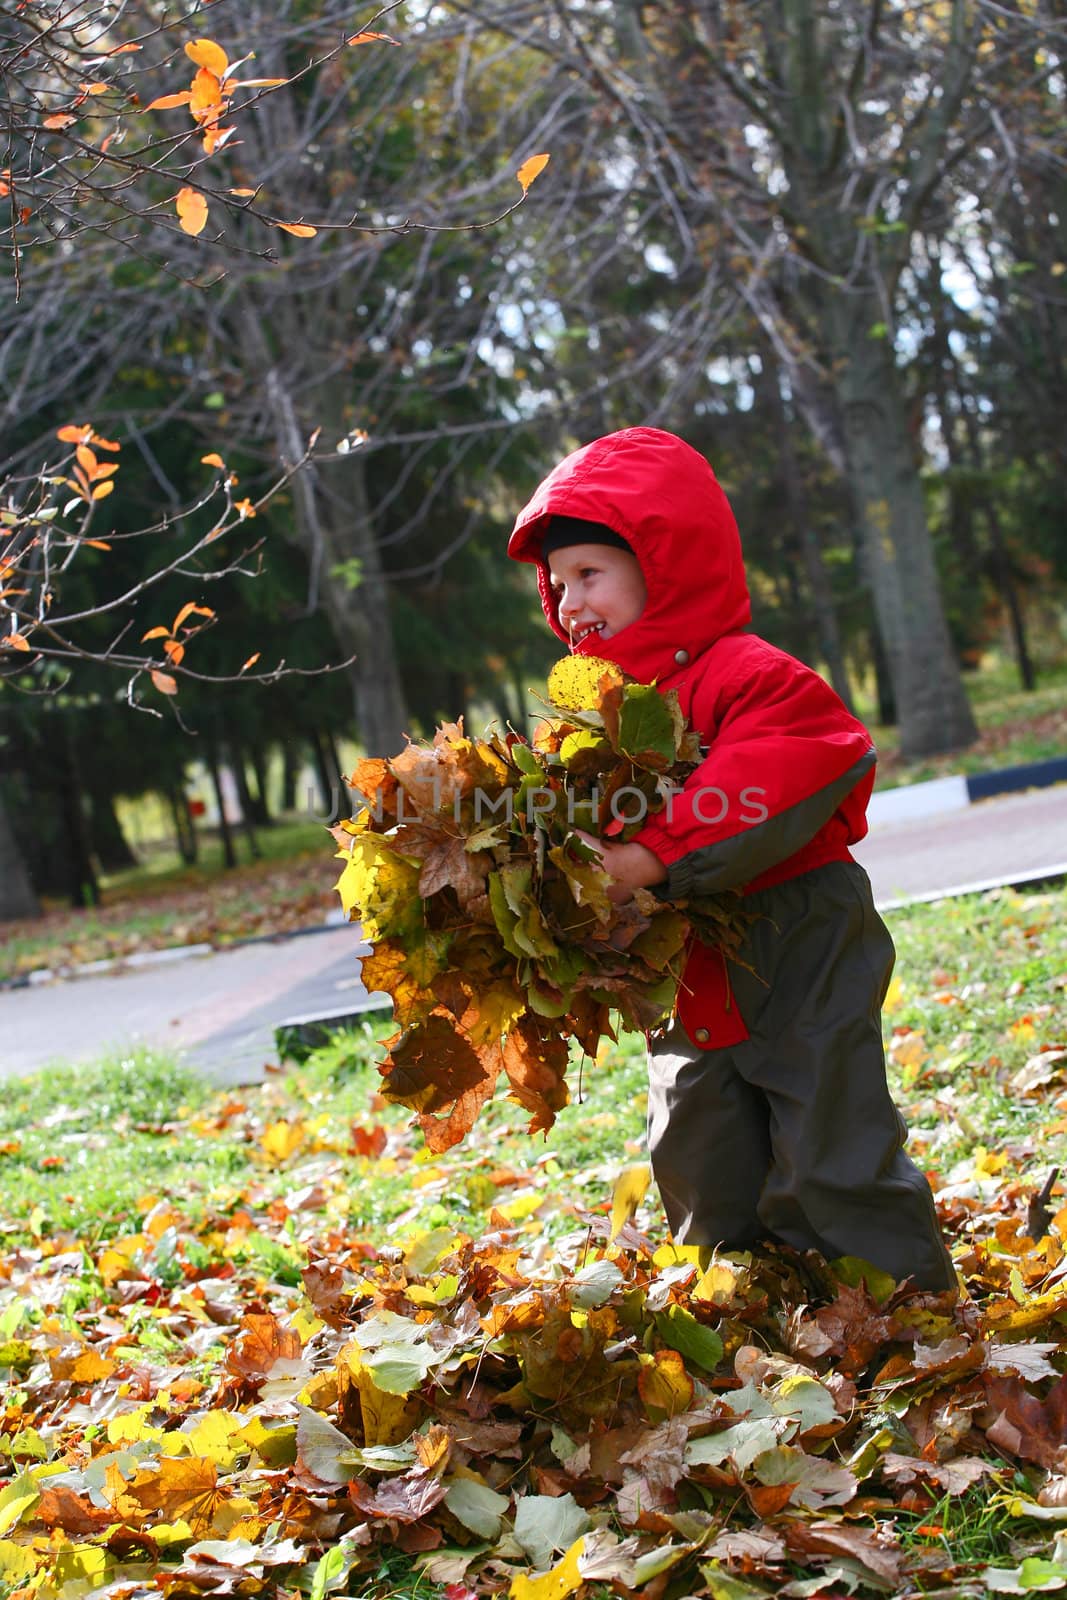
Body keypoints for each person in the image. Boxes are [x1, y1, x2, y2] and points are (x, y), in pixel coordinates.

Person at [507, 426, 956, 1293]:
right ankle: (745, 1308)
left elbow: (782, 766)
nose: (568, 602)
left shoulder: (746, 675)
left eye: (589, 574)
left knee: (831, 1139)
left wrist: (648, 854)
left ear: (663, 564)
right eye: (556, 584)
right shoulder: (595, 723)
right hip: (686, 969)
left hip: (798, 948)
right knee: (697, 1150)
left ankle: (905, 1314)